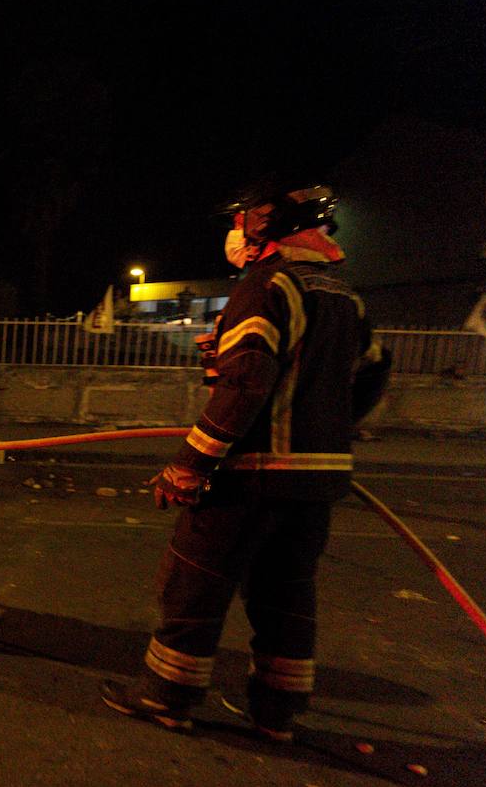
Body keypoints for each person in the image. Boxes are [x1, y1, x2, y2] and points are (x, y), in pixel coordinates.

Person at [102, 180, 391, 741]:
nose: (232, 235)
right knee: (285, 594)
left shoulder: (266, 286)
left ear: (263, 225)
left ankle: (168, 696)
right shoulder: (343, 296)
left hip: (252, 477)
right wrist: (328, 430)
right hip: (314, 486)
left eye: (238, 223)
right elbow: (374, 371)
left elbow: (250, 383)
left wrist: (190, 463)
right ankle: (276, 715)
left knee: (192, 585)